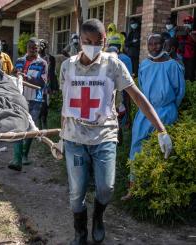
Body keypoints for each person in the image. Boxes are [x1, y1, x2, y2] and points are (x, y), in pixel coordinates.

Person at [60, 19, 173, 244]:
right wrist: (61, 139)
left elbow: (138, 98)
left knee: (106, 188)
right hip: (74, 138)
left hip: (104, 136)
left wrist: (162, 131)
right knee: (76, 194)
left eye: (97, 42)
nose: (92, 46)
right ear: (79, 41)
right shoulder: (68, 66)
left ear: (104, 41)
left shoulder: (113, 65)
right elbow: (66, 104)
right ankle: (80, 232)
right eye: (86, 41)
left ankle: (98, 218)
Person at [122, 34, 185, 201]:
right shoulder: (144, 65)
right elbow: (141, 88)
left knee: (161, 150)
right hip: (146, 112)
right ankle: (133, 188)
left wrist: (169, 109)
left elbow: (179, 92)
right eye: (150, 44)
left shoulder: (173, 66)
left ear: (164, 45)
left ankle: (156, 191)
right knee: (137, 147)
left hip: (166, 112)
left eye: (157, 44)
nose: (154, 47)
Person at [8, 37, 47, 171]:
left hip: (35, 100)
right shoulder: (19, 61)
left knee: (30, 127)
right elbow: (11, 75)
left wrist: (26, 77)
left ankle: (25, 155)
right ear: (27, 48)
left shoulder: (42, 63)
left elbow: (42, 82)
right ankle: (17, 158)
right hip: (19, 99)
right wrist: (14, 75)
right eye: (31, 47)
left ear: (39, 49)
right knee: (18, 126)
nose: (33, 50)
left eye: (35, 48)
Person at [38, 39, 58, 129]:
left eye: (42, 45)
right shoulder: (34, 58)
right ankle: (38, 124)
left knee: (45, 105)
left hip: (46, 86)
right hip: (35, 86)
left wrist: (54, 87)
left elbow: (53, 73)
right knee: (36, 105)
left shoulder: (50, 58)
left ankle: (44, 121)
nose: (40, 48)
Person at [177, 15, 196, 81]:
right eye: (186, 22)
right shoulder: (181, 31)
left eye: (189, 22)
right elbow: (176, 40)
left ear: (192, 23)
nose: (187, 24)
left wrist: (189, 33)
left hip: (191, 56)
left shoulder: (194, 33)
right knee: (181, 72)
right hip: (181, 55)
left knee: (190, 74)